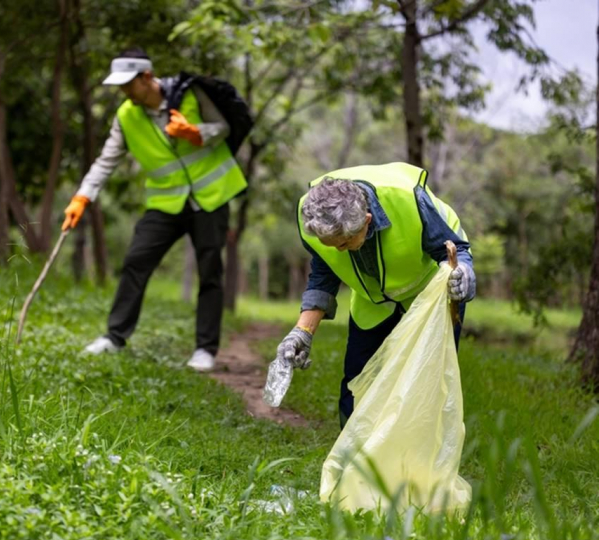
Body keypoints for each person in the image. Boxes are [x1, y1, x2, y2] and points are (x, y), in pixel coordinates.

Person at [61, 48, 248, 371]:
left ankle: (205, 350)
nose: (123, 92)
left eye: (128, 84)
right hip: (165, 202)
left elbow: (223, 127)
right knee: (136, 260)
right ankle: (114, 338)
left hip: (211, 196)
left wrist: (195, 132)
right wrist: (82, 196)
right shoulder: (126, 116)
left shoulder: (191, 93)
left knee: (210, 272)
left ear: (147, 77)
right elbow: (106, 160)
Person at [274, 162, 476, 427]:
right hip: (372, 298)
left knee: (428, 378)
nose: (340, 251)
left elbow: (454, 248)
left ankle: (415, 454)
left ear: (367, 222)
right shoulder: (314, 218)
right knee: (358, 379)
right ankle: (355, 452)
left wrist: (464, 272)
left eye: (345, 244)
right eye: (332, 246)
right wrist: (303, 332)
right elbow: (324, 274)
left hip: (431, 288)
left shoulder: (408, 200)